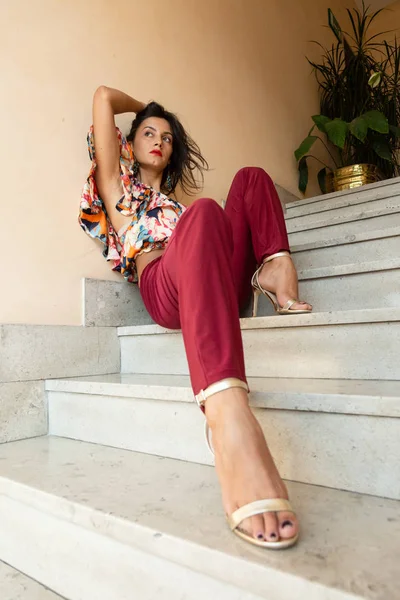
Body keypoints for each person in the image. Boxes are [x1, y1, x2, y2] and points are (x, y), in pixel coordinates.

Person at [79, 86, 312, 550]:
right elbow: (103, 96)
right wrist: (145, 104)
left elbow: (215, 222)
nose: (159, 141)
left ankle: (276, 270)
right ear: (131, 143)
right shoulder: (119, 190)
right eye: (148, 133)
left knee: (248, 179)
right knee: (205, 213)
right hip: (165, 285)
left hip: (211, 275)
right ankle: (227, 418)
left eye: (167, 137)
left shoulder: (182, 207)